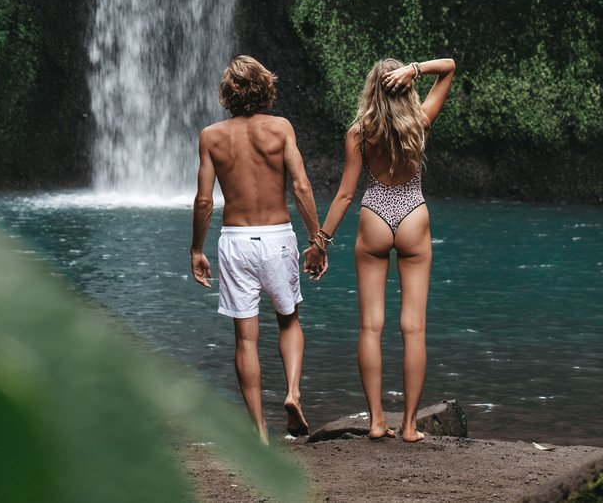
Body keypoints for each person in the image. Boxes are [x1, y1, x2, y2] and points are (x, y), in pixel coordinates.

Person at [304, 56, 455, 442]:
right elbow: (450, 67)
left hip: (374, 216)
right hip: (412, 215)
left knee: (370, 326)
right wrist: (416, 69)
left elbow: (345, 195)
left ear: (371, 90)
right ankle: (408, 427)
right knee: (414, 327)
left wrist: (320, 243)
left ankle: (375, 421)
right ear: (404, 88)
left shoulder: (359, 134)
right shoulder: (419, 121)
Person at [190, 55, 324, 443]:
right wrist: (317, 239)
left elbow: (204, 201)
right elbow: (300, 186)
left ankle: (259, 432)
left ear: (227, 94)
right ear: (266, 87)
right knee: (289, 320)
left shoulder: (211, 136)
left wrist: (197, 249)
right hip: (277, 236)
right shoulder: (280, 128)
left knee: (245, 338)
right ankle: (293, 393)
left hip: (235, 241)